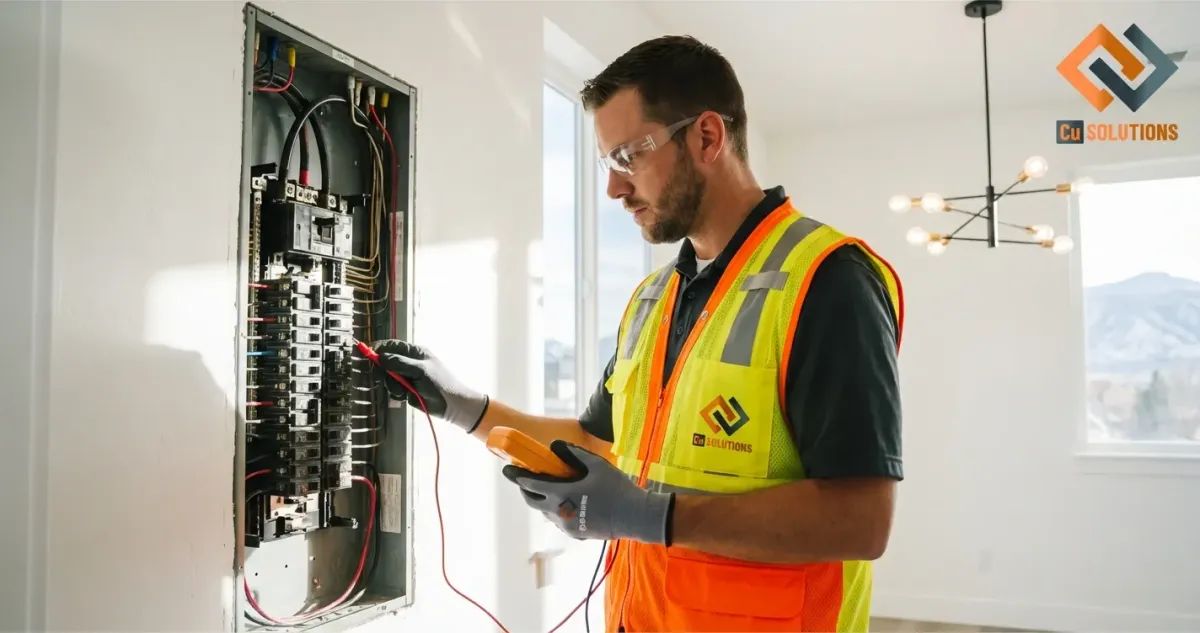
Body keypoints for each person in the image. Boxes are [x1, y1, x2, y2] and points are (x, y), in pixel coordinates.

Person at [371, 34, 904, 633]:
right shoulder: (654, 300)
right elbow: (595, 441)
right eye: (608, 164)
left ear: (707, 136)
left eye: (628, 157)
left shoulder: (828, 280)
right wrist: (464, 406)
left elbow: (861, 521)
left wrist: (653, 516)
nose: (614, 190)